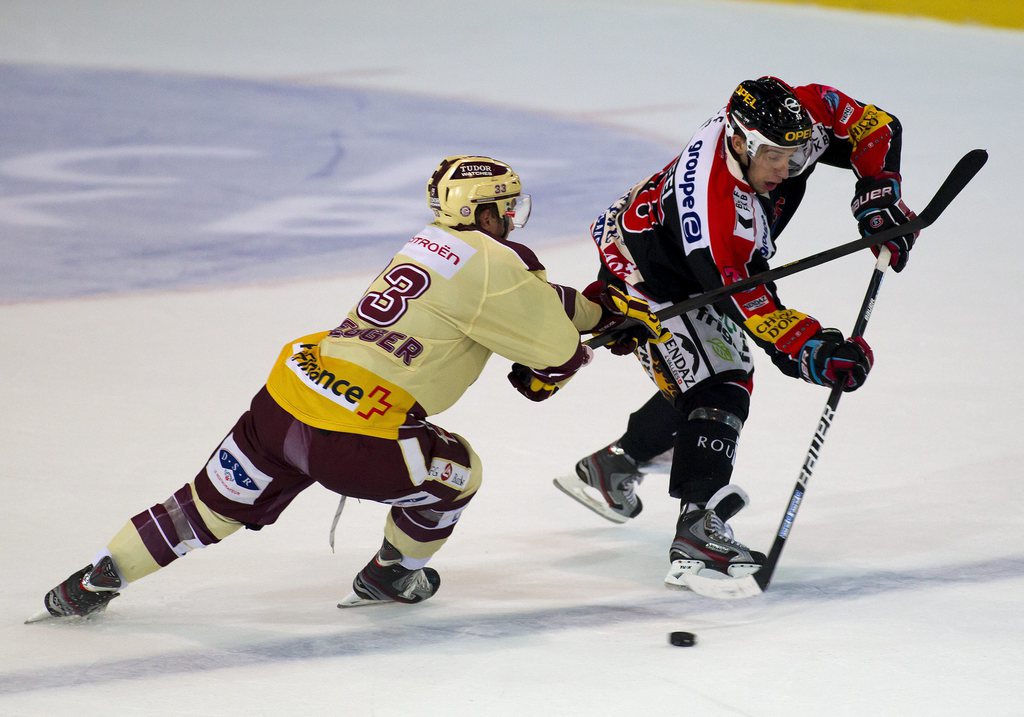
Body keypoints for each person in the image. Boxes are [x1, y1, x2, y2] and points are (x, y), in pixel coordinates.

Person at [34, 155, 667, 619]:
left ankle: (95, 578)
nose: (512, 218)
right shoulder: (499, 267)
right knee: (460, 472)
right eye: (508, 207)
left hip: (285, 403)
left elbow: (525, 301)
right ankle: (394, 574)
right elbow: (549, 355)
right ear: (488, 211)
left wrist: (596, 311)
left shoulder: (431, 245)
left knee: (206, 505)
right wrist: (591, 341)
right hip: (358, 438)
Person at [554, 76, 918, 586]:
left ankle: (617, 462)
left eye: (792, 154)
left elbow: (874, 127)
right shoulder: (715, 213)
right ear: (739, 140)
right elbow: (755, 308)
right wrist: (815, 351)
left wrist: (878, 195)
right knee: (721, 379)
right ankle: (697, 527)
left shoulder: (799, 113)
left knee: (711, 367)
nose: (784, 168)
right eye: (771, 156)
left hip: (694, 253)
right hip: (650, 271)